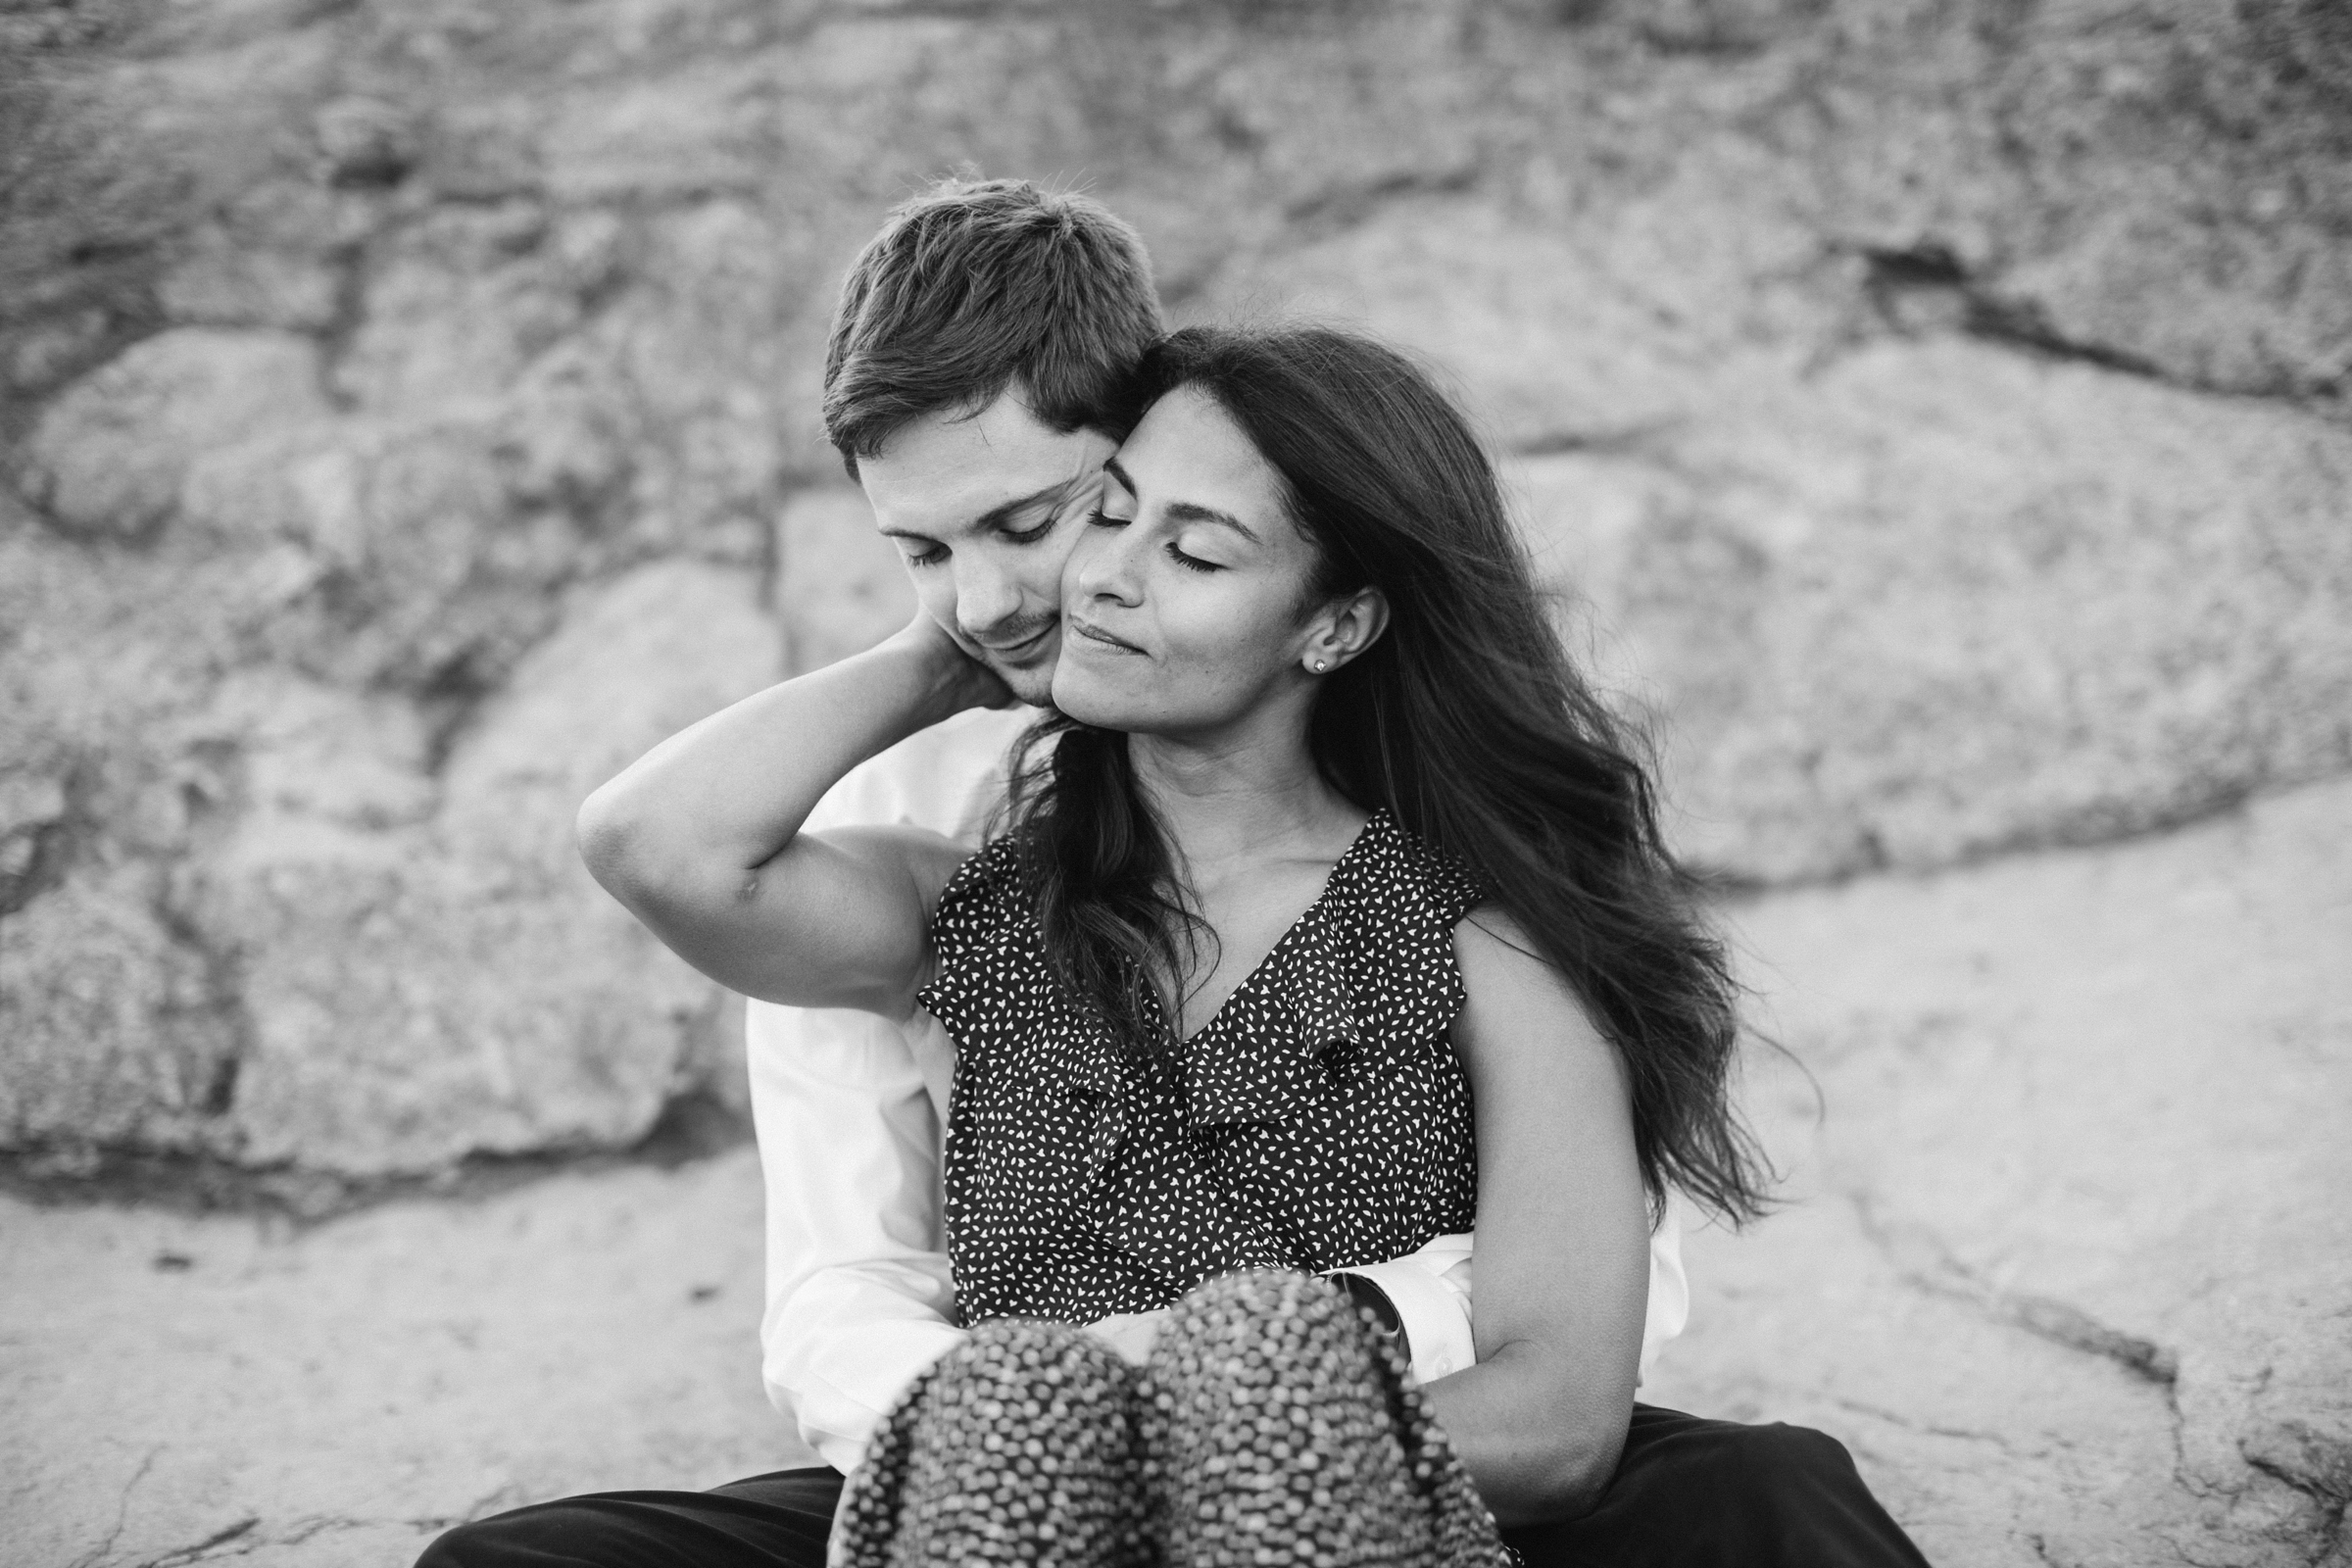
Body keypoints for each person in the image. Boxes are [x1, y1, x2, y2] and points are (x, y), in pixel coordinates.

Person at [416, 185, 1924, 1568]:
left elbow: (1563, 1400)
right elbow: (655, 852)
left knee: (1769, 1503)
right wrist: (958, 652)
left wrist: (1211, 1444)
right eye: (1108, 530)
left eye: (1077, 527)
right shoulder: (964, 889)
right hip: (1010, 1494)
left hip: (1361, 1480)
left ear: (1331, 623)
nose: (1071, 582)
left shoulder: (1479, 918)